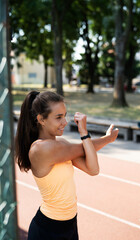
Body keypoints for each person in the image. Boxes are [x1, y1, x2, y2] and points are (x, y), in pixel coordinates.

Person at [15, 90, 119, 240]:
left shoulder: (62, 144)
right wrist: (93, 135)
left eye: (64, 115)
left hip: (70, 224)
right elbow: (84, 148)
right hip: (48, 230)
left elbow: (93, 169)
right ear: (41, 119)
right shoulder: (40, 149)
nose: (65, 122)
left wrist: (106, 138)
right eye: (58, 117)